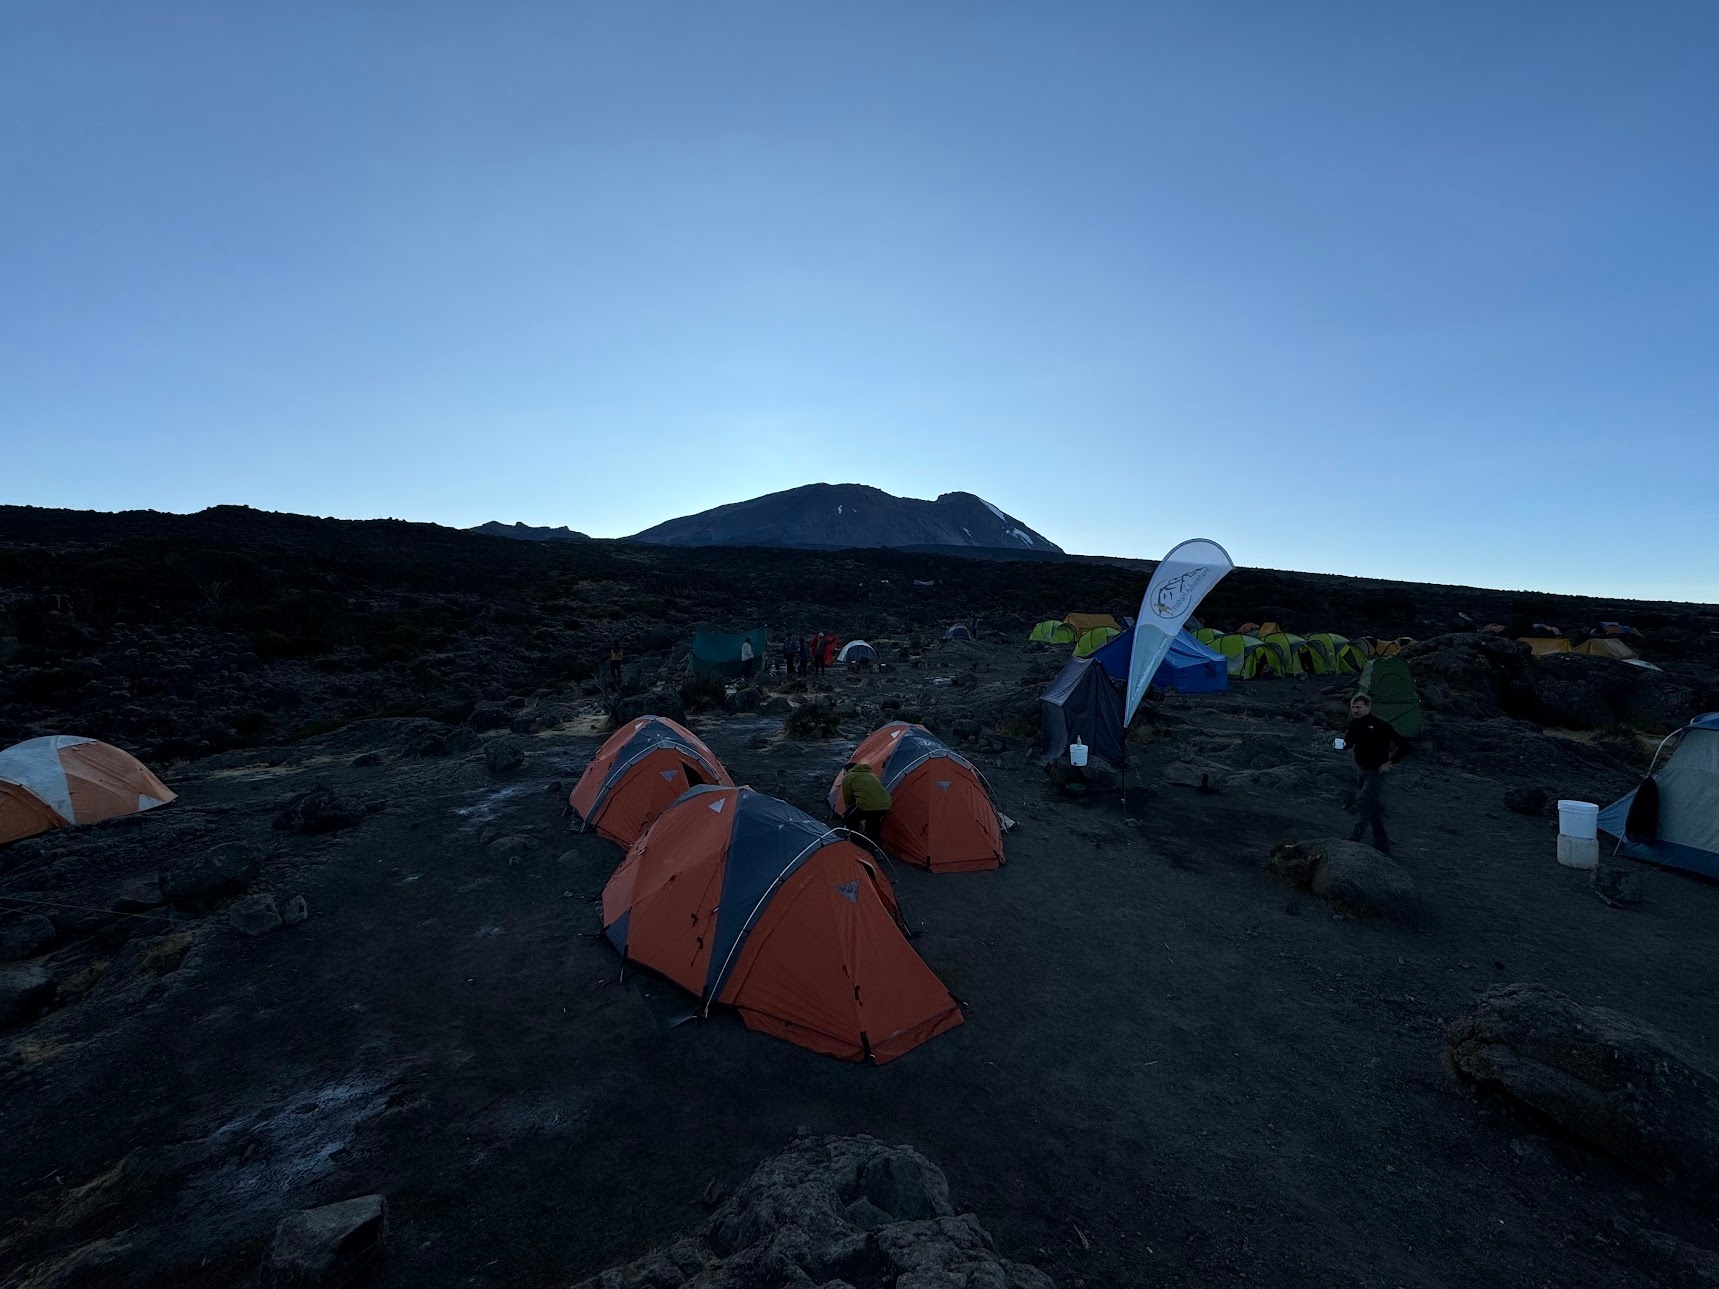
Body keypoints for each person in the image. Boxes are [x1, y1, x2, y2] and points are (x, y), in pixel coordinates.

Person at [1342, 693, 1408, 855]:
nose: (1355, 710)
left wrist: (1390, 763)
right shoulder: (1354, 725)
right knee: (1373, 806)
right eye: (1353, 707)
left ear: (1368, 707)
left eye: (1359, 707)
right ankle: (1383, 845)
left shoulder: (1381, 726)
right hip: (1362, 771)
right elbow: (1347, 744)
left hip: (1376, 772)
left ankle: (1355, 837)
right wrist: (1336, 744)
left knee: (1364, 801)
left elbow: (1405, 745)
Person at [840, 761, 893, 849]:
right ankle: (877, 849)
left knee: (847, 818)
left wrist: (849, 808)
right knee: (873, 826)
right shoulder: (871, 774)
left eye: (844, 773)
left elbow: (848, 798)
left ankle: (857, 844)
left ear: (847, 770)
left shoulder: (849, 776)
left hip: (866, 804)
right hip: (885, 805)